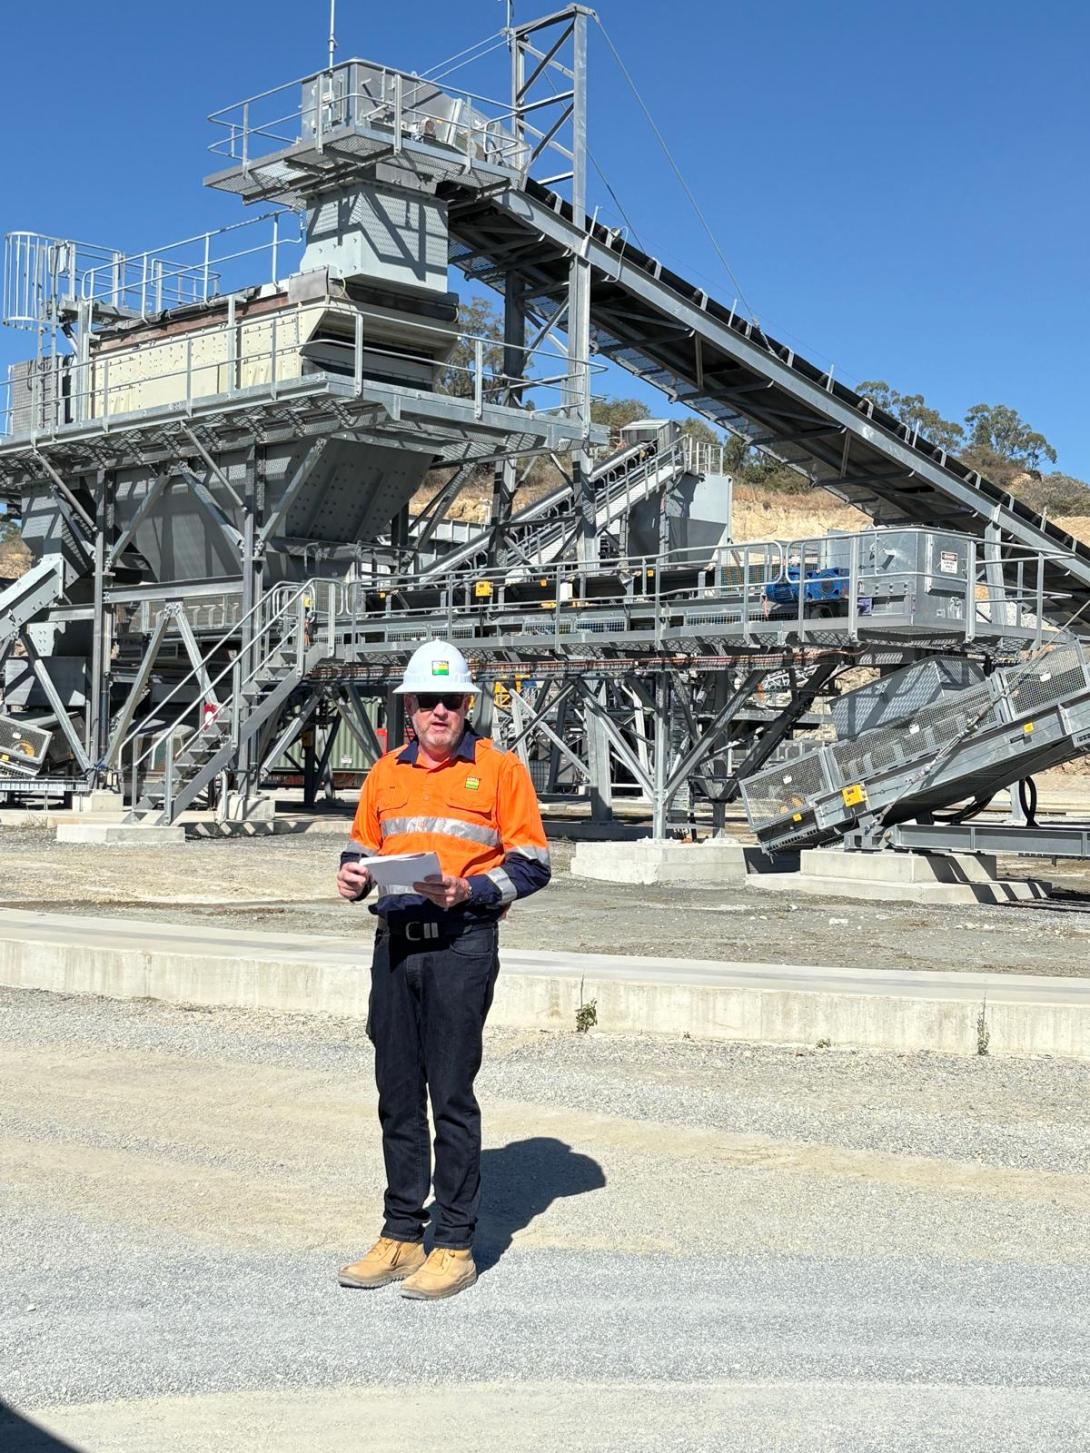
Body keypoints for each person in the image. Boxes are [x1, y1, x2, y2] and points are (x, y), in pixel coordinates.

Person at [335, 638, 550, 1301]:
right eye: (425, 701)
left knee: (450, 1094)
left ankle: (453, 1242)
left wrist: (474, 891)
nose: (437, 712)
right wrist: (348, 874)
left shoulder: (500, 769)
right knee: (397, 1092)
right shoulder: (384, 772)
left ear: (465, 704)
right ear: (411, 707)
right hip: (396, 941)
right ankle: (401, 1231)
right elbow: (362, 843)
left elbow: (534, 862)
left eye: (449, 700)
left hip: (461, 943)